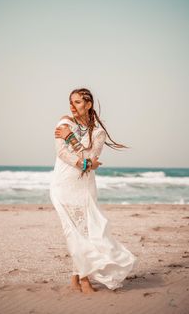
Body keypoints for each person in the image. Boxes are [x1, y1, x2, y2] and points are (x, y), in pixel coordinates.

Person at [49, 88, 138, 294]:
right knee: (72, 232)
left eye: (78, 102)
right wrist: (85, 164)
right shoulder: (63, 122)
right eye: (71, 102)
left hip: (84, 188)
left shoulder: (98, 132)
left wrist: (72, 140)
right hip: (62, 185)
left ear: (88, 105)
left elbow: (91, 155)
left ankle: (76, 278)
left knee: (84, 232)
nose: (72, 106)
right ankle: (85, 279)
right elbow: (62, 153)